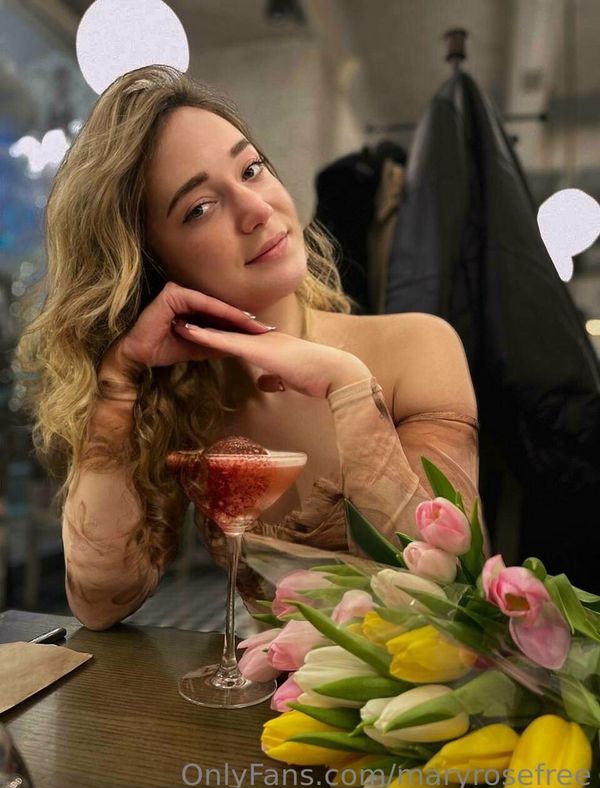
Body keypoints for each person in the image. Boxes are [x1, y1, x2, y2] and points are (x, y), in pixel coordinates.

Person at [14, 65, 488, 631]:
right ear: (151, 264)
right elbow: (99, 602)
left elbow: (444, 593)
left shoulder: (418, 347)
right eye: (199, 208)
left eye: (251, 169)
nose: (257, 209)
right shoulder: (180, 400)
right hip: (265, 684)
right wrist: (116, 390)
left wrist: (347, 389)